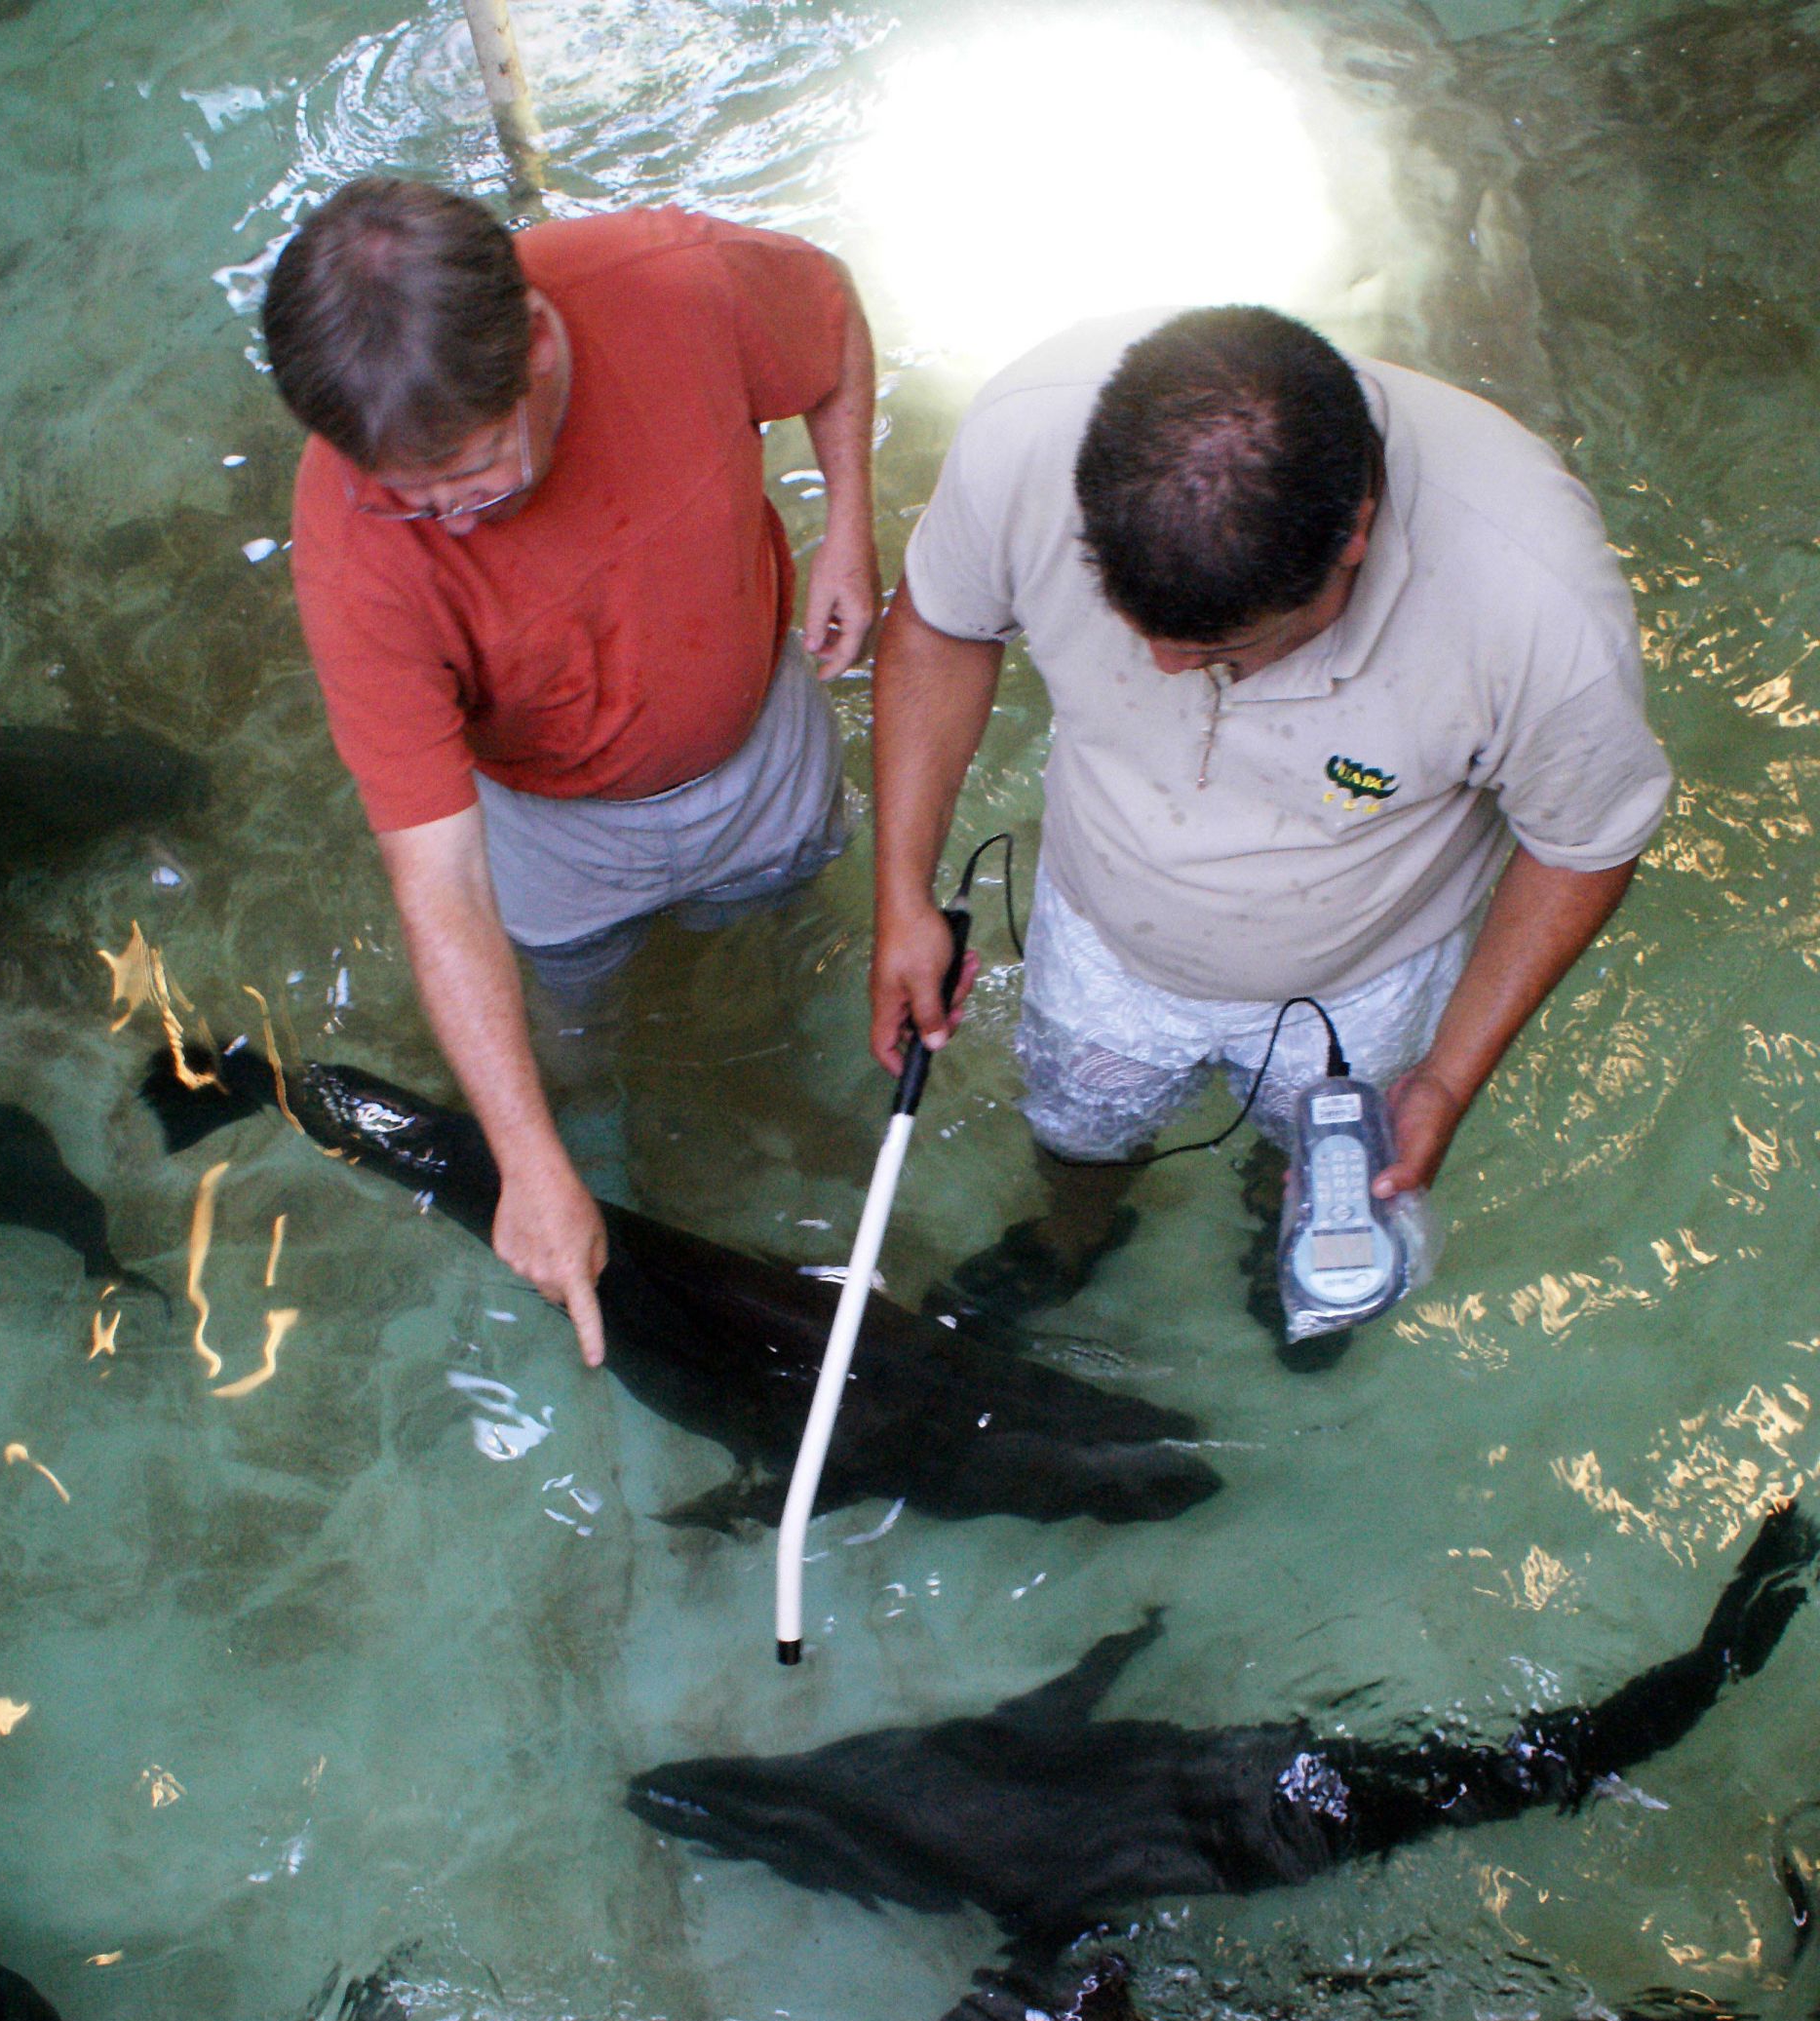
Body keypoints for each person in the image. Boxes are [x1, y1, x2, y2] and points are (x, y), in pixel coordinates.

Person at [869, 305, 1672, 1352]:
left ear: (1355, 539)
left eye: (1215, 650)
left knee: (1312, 1146)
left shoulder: (1535, 607)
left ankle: (1278, 1231)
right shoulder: (1029, 432)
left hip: (1361, 978)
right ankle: (1071, 1233)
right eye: (1131, 620)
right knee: (1077, 1127)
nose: (1160, 669)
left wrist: (1442, 1079)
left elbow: (1582, 844)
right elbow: (943, 621)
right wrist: (901, 893)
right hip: (1103, 927)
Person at [262, 179, 879, 1368]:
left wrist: (847, 517)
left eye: (473, 472)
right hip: (548, 825)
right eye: (407, 494)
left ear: (539, 343)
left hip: (759, 737)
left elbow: (834, 324)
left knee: (772, 935)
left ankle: (784, 1069)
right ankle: (591, 1126)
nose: (442, 520)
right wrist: (529, 1156)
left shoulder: (679, 285)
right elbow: (438, 877)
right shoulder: (354, 545)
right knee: (571, 1016)